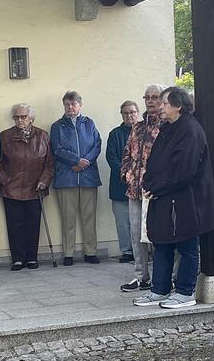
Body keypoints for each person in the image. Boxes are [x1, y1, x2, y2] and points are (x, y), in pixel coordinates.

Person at [133, 87, 214, 309]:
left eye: (166, 104)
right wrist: (148, 183)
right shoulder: (168, 128)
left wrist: (157, 187)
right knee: (162, 244)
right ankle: (159, 289)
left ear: (178, 106)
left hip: (185, 200)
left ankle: (185, 292)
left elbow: (183, 169)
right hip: (163, 197)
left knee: (187, 246)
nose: (161, 107)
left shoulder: (190, 130)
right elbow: (156, 160)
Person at [119, 84, 166, 292]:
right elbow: (126, 154)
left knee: (159, 235)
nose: (150, 101)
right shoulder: (138, 126)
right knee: (137, 235)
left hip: (157, 191)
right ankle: (141, 276)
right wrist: (127, 175)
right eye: (146, 97)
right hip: (135, 190)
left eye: (154, 97)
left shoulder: (166, 125)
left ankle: (165, 276)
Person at [0, 104, 54, 270]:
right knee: (15, 225)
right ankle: (18, 258)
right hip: (11, 187)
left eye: (23, 117)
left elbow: (49, 163)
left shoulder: (43, 135)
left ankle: (32, 258)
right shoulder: (5, 136)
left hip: (35, 187)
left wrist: (44, 180)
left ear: (31, 118)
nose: (19, 120)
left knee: (33, 225)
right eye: (16, 117)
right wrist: (3, 180)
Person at [50, 91, 102, 266]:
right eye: (67, 104)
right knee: (68, 217)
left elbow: (97, 144)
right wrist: (75, 161)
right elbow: (57, 149)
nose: (70, 107)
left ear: (80, 105)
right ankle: (68, 253)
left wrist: (85, 162)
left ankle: (91, 251)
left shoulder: (89, 123)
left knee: (89, 217)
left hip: (88, 177)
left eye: (73, 104)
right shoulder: (57, 126)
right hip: (67, 177)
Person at [106, 100, 139, 263]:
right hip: (120, 185)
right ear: (122, 115)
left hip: (141, 185)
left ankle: (142, 251)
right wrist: (127, 173)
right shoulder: (115, 134)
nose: (129, 116)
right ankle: (127, 251)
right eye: (126, 113)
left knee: (139, 221)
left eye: (132, 112)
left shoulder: (144, 132)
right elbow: (111, 158)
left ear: (137, 113)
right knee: (122, 222)